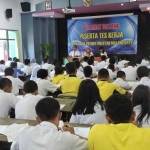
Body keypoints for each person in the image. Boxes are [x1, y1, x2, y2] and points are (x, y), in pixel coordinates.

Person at [11, 97, 87, 150]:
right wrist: (73, 134)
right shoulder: (68, 139)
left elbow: (14, 147)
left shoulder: (23, 132)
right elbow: (90, 145)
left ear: (37, 119)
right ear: (60, 115)